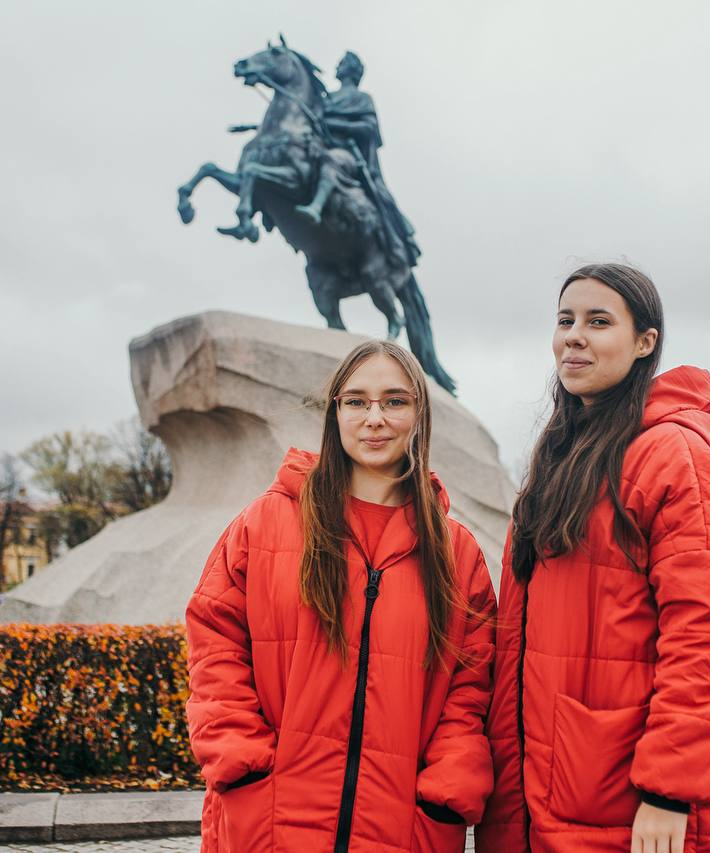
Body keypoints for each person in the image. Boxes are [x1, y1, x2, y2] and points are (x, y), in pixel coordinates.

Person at [477, 263, 710, 853]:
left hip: (623, 791)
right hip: (545, 785)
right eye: (565, 321)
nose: (574, 337)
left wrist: (668, 790)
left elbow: (707, 634)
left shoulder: (673, 455)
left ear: (644, 342)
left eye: (598, 322)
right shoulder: (561, 454)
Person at [185, 340, 496, 853]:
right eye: (356, 401)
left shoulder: (456, 552)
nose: (374, 418)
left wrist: (445, 793)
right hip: (270, 823)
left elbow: (472, 688)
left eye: (394, 401)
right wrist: (242, 765)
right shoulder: (264, 523)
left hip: (402, 829)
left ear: (419, 413)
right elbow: (214, 645)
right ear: (335, 412)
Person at [294, 51, 420, 266]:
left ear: (352, 70)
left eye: (342, 63)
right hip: (318, 150)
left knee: (333, 161)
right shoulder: (326, 99)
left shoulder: (361, 98)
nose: (337, 66)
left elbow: (369, 129)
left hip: (348, 157)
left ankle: (316, 206)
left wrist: (334, 124)